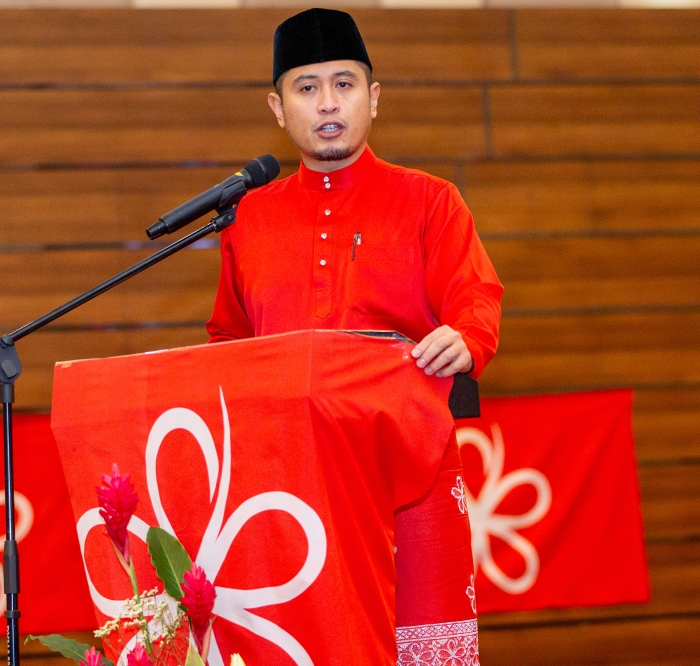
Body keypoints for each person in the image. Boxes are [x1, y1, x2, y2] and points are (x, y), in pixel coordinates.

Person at [207, 8, 502, 665]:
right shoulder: (247, 219)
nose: (328, 102)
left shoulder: (431, 201)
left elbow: (475, 298)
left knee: (425, 646)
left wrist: (467, 338)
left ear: (373, 97)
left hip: (411, 473)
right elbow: (228, 340)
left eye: (344, 83)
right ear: (278, 109)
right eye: (306, 88)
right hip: (284, 485)